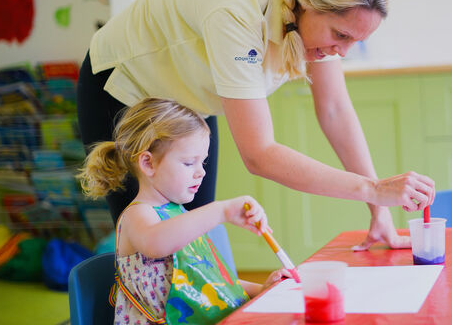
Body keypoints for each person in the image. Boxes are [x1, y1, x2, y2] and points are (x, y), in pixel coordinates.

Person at [77, 0, 436, 251]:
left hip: (185, 101)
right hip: (122, 86)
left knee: (198, 243)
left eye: (356, 42)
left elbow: (334, 109)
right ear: (308, 5)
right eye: (340, 35)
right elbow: (260, 155)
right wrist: (372, 189)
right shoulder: (236, 15)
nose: (342, 52)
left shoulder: (309, 6)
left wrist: (379, 211)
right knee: (153, 246)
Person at [77, 98, 291, 325]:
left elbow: (210, 280)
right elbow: (156, 243)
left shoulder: (178, 213)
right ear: (148, 163)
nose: (201, 173)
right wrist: (221, 211)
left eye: (203, 163)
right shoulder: (138, 215)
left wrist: (263, 289)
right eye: (190, 163)